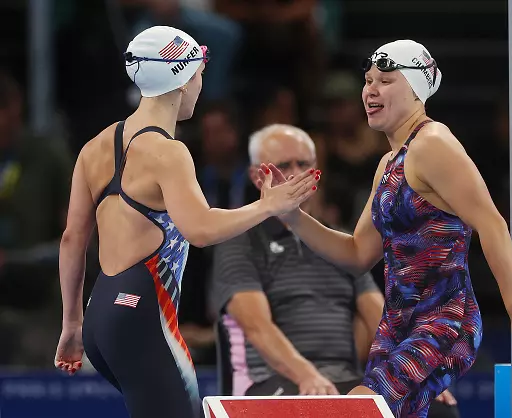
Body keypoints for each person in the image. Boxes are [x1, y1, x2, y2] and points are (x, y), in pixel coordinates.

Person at [257, 40, 512, 417]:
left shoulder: (433, 144)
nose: (371, 90)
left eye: (385, 80)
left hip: (445, 319)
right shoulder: (389, 163)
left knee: (360, 407)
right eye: (367, 81)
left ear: (416, 89)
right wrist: (292, 216)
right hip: (397, 323)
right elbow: (356, 254)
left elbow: (491, 223)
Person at [53, 26, 319, 418]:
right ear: (181, 78)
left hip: (101, 318)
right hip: (142, 317)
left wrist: (72, 324)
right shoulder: (168, 152)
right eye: (199, 71)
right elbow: (202, 229)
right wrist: (268, 206)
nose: (200, 83)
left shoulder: (96, 146)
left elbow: (72, 238)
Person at [212, 123, 461, 418]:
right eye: (282, 165)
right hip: (274, 383)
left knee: (436, 410)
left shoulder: (339, 241)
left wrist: (413, 371)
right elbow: (257, 326)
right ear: (258, 177)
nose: (295, 173)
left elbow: (379, 314)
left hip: (344, 380)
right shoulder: (241, 241)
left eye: (303, 164)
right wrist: (306, 375)